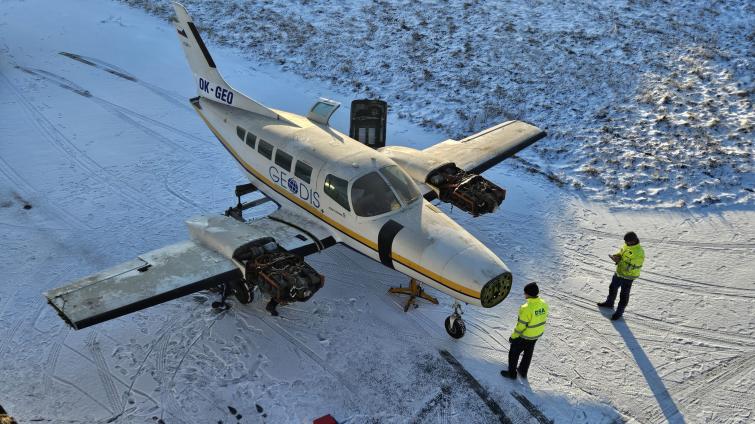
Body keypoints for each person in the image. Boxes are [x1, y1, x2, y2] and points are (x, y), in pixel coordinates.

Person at [501, 282, 548, 379]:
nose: (524, 294)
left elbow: (520, 326)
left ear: (528, 294)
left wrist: (513, 337)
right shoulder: (544, 303)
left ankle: (512, 374)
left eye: (525, 293)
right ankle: (523, 371)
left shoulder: (526, 308)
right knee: (528, 352)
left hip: (525, 336)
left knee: (514, 353)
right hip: (536, 335)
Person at [598, 231, 645, 320]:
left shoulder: (639, 252)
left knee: (624, 295)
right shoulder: (627, 245)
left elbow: (633, 266)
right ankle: (609, 303)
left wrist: (619, 261)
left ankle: (619, 313)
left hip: (628, 277)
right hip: (619, 273)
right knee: (612, 288)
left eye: (627, 241)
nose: (625, 243)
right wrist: (617, 255)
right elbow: (621, 252)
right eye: (625, 241)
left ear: (633, 241)